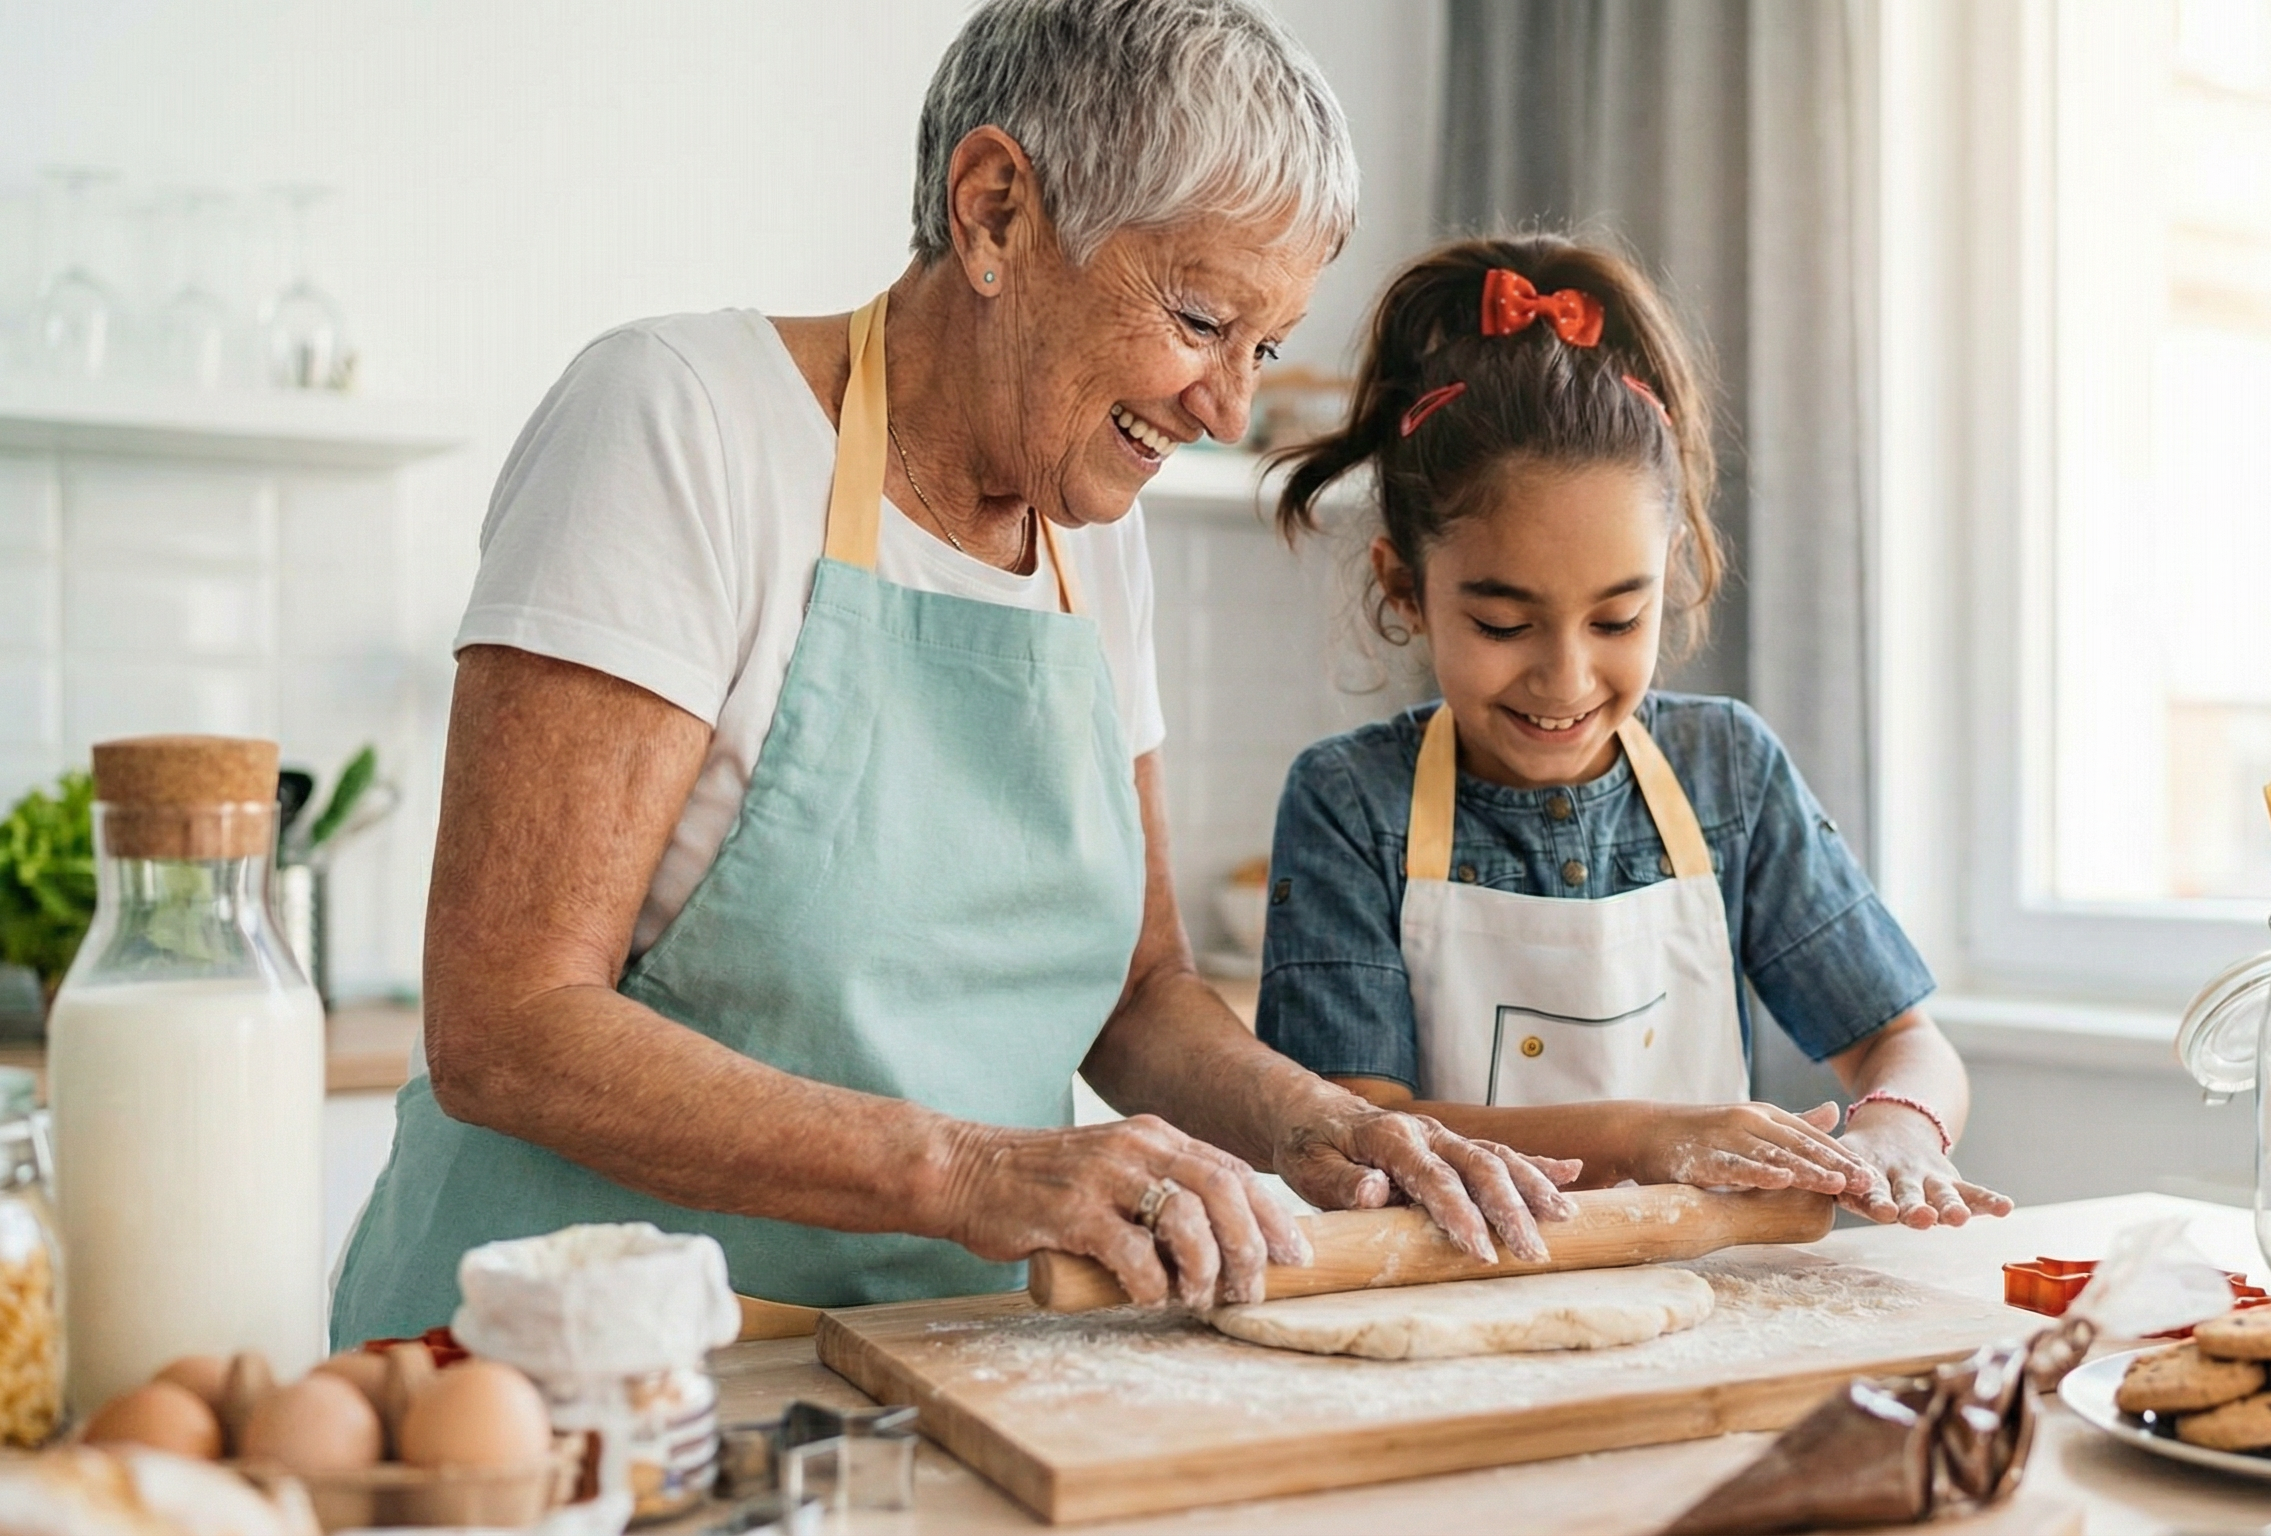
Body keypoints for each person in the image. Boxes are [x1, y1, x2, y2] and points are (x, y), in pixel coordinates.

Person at [329, 0, 1577, 1347]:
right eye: (1202, 319)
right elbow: (505, 1023)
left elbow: (1142, 989)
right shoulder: (684, 422)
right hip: (575, 1374)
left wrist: (1322, 1122)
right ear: (992, 213)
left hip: (936, 1369)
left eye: (1263, 350)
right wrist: (973, 1172)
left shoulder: (1097, 537)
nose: (1226, 410)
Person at [1257, 235, 2012, 1228]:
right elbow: (1359, 1127)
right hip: (1454, 1325)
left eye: (1617, 620)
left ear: (1674, 568)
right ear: (1407, 586)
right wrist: (1646, 1135)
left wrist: (1897, 1131)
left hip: (1706, 1316)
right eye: (1501, 623)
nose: (1565, 678)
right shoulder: (1351, 803)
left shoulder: (1725, 774)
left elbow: (1901, 1042)